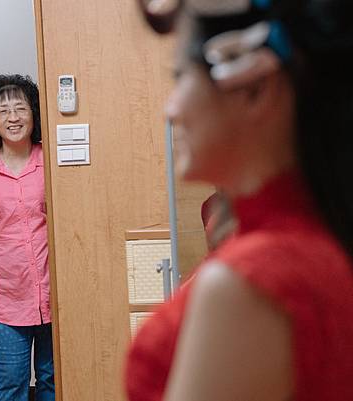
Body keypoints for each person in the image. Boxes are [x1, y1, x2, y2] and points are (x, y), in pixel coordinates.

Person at [125, 1, 353, 400]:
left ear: (254, 89)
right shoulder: (320, 240)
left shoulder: (250, 281)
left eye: (181, 76)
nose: (171, 108)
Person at [0, 74, 54, 401]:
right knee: (12, 384)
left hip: (53, 292)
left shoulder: (51, 162)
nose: (13, 117)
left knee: (53, 381)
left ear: (34, 114)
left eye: (20, 108)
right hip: (5, 298)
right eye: (3, 111)